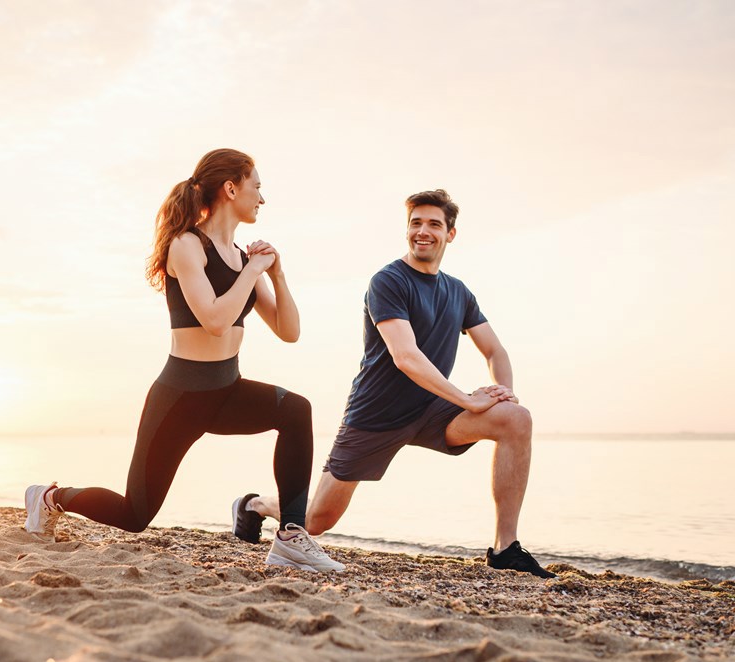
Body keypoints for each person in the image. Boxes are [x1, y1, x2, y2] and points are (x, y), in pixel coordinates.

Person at [23, 148, 343, 572]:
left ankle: (290, 536)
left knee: (296, 410)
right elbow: (213, 319)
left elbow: (289, 331)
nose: (262, 199)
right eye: (257, 187)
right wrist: (252, 272)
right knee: (135, 515)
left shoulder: (244, 259)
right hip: (180, 399)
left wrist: (277, 275)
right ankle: (48, 497)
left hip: (227, 391)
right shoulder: (186, 245)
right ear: (231, 188)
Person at [233, 189, 556, 578]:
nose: (423, 231)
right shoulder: (388, 281)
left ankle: (506, 548)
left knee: (516, 418)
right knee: (317, 520)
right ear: (407, 230)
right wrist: (468, 400)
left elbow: (495, 350)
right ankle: (254, 505)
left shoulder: (458, 292)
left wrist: (504, 392)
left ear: (450, 234)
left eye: (434, 224)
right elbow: (406, 358)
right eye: (416, 223)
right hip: (377, 414)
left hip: (434, 409)